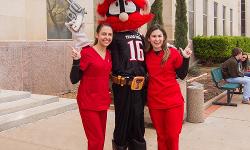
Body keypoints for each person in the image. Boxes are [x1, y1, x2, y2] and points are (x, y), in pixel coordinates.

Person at [97, 0, 154, 149]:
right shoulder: (113, 37)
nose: (123, 15)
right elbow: (98, 50)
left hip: (140, 86)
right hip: (122, 85)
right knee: (122, 121)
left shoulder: (140, 36)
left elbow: (151, 52)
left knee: (138, 120)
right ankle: (120, 145)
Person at [144, 24, 192, 150]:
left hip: (173, 102)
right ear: (149, 38)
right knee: (161, 136)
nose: (157, 39)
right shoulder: (146, 55)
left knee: (172, 135)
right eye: (153, 36)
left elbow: (182, 75)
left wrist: (186, 58)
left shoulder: (173, 53)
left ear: (164, 37)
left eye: (160, 36)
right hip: (155, 102)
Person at [68, 22, 113, 150]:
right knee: (95, 139)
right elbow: (74, 79)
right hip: (88, 102)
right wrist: (76, 61)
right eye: (104, 34)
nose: (107, 37)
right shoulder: (87, 52)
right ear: (97, 35)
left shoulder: (109, 54)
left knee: (100, 139)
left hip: (102, 102)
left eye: (110, 34)